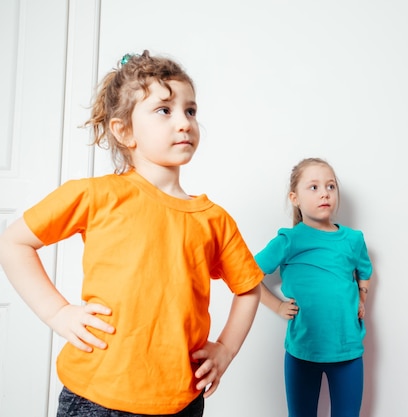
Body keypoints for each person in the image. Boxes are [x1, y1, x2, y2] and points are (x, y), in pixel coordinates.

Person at [0, 50, 264, 417]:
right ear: (124, 131)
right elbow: (13, 243)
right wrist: (58, 313)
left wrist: (226, 349)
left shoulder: (213, 218)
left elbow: (248, 288)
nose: (184, 122)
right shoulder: (95, 195)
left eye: (190, 110)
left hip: (181, 402)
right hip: (95, 397)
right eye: (164, 110)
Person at [255, 157, 373, 417]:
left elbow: (365, 271)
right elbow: (247, 275)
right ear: (294, 197)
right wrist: (276, 305)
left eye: (331, 187)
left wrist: (361, 297)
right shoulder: (289, 239)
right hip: (302, 350)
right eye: (314, 187)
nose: (325, 194)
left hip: (348, 349)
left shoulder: (353, 239)